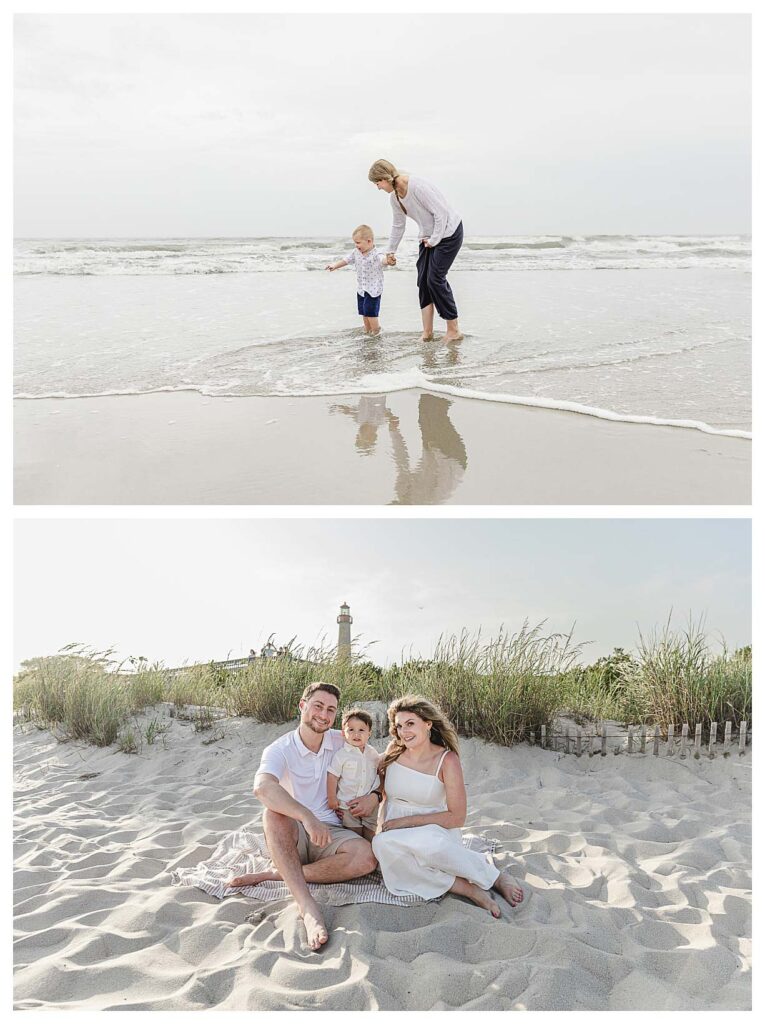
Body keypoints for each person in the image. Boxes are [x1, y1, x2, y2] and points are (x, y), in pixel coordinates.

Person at [228, 682, 380, 951]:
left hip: (334, 832)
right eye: (318, 706)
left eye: (331, 710)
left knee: (367, 857)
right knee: (272, 814)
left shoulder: (342, 740)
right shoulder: (280, 748)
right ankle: (307, 906)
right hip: (296, 833)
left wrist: (375, 797)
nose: (323, 715)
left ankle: (278, 874)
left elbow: (379, 764)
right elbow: (262, 787)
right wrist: (306, 816)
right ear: (302, 706)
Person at [372, 695, 525, 916]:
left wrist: (406, 821)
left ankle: (496, 877)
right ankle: (469, 889)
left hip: (433, 829)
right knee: (382, 846)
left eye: (410, 724)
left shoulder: (447, 760)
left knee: (431, 847)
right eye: (399, 726)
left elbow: (457, 817)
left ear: (428, 724)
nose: (404, 731)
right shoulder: (393, 752)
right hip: (394, 833)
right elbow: (381, 787)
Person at [368, 159, 464, 343]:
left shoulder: (417, 186)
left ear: (384, 178)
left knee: (435, 279)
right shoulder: (395, 198)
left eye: (377, 183)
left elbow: (441, 213)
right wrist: (391, 251)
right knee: (423, 282)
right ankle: (427, 333)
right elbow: (398, 225)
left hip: (449, 232)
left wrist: (434, 240)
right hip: (428, 237)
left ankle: (454, 330)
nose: (378, 187)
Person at [327, 708, 382, 841]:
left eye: (361, 730)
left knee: (370, 835)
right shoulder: (341, 755)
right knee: (355, 835)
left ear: (369, 733)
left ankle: (372, 856)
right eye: (351, 730)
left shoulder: (373, 753)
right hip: (347, 805)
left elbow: (378, 773)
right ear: (343, 733)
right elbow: (332, 776)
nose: (356, 734)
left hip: (370, 805)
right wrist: (332, 798)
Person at [326, 224, 388, 335]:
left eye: (358, 243)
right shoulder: (356, 252)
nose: (356, 245)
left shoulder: (376, 254)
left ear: (369, 241)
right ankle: (368, 331)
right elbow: (347, 260)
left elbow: (383, 260)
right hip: (361, 289)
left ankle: (376, 332)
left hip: (373, 290)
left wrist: (388, 261)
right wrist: (335, 266)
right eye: (355, 242)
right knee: (364, 312)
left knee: (371, 313)